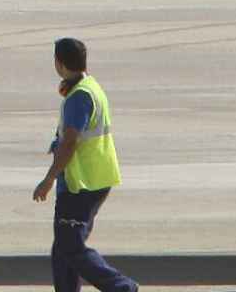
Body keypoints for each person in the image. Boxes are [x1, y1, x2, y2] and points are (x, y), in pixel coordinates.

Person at [33, 37, 139, 292]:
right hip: (95, 179)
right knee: (63, 249)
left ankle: (122, 287)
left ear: (59, 63)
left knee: (71, 247)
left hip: (82, 184)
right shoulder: (90, 86)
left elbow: (70, 143)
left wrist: (48, 180)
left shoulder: (79, 97)